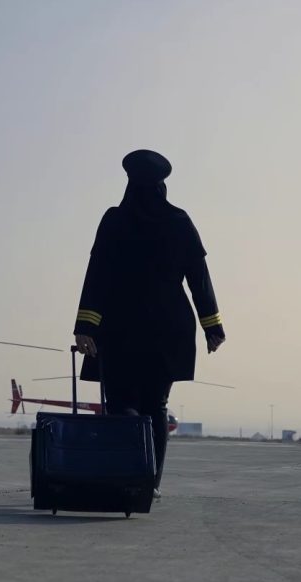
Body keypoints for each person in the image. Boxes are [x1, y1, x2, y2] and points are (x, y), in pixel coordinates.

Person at [73, 149, 226, 499]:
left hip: (119, 325)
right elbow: (198, 277)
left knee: (121, 402)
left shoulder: (114, 220)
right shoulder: (179, 220)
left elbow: (98, 274)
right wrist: (212, 326)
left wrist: (86, 325)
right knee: (156, 404)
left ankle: (124, 474)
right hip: (168, 327)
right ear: (161, 185)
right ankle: (149, 482)